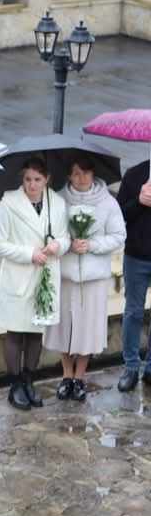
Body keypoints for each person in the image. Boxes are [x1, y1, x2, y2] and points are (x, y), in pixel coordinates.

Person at [0, 157, 70, 409]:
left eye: (37, 179)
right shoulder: (9, 202)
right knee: (15, 332)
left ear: (47, 179)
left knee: (36, 333)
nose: (32, 185)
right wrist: (29, 254)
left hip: (44, 279)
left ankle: (28, 381)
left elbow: (66, 237)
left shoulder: (57, 203)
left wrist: (58, 245)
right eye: (27, 179)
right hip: (18, 277)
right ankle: (15, 385)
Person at [45, 158, 125, 400]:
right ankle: (66, 375)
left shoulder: (107, 202)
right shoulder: (58, 200)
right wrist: (68, 245)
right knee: (64, 327)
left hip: (93, 280)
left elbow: (118, 236)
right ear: (69, 176)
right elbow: (48, 232)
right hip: (65, 276)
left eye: (86, 173)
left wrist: (92, 245)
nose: (81, 178)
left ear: (93, 174)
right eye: (76, 173)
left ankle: (80, 377)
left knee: (87, 329)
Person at [116, 158, 151, 391]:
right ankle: (130, 367)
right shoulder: (134, 174)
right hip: (136, 256)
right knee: (133, 313)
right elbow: (118, 217)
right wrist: (139, 201)